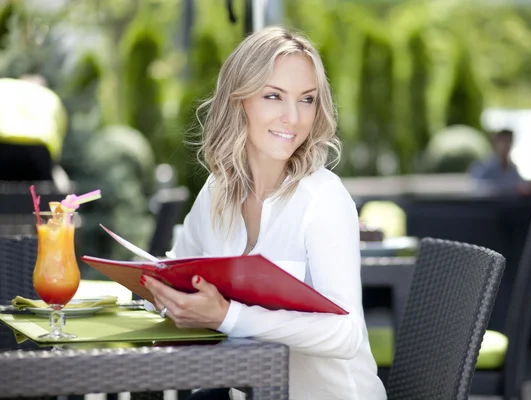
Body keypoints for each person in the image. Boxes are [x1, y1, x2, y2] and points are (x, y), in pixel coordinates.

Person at [141, 27, 387, 400]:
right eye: (274, 96)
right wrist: (160, 294)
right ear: (239, 101)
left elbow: (345, 333)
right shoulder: (216, 191)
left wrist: (227, 316)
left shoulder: (323, 198)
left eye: (307, 100)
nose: (293, 117)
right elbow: (174, 269)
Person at [468, 128, 526, 195]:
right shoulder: (481, 167)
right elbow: (476, 188)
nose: (507, 145)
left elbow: (521, 186)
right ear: (494, 143)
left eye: (509, 141)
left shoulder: (512, 168)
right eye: (503, 141)